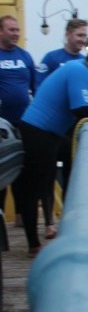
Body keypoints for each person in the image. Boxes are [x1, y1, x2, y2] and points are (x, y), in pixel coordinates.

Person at [16, 43, 88, 257]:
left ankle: (37, 239)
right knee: (32, 189)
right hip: (38, 132)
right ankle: (33, 244)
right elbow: (80, 109)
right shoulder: (79, 70)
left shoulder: (80, 69)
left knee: (39, 185)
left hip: (47, 133)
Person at [36, 19, 88, 235]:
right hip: (52, 128)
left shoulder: (86, 63)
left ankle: (70, 222)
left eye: (84, 36)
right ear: (68, 34)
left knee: (73, 173)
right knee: (48, 173)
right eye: (79, 35)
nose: (82, 40)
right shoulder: (51, 59)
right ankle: (49, 222)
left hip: (73, 129)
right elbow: (39, 87)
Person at [0, 15, 35, 215]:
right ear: (0, 31)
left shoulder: (25, 57)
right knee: (1, 174)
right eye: (11, 30)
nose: (16, 34)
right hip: (1, 127)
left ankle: (22, 215)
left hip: (23, 123)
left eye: (17, 30)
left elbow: (34, 88)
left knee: (22, 171)